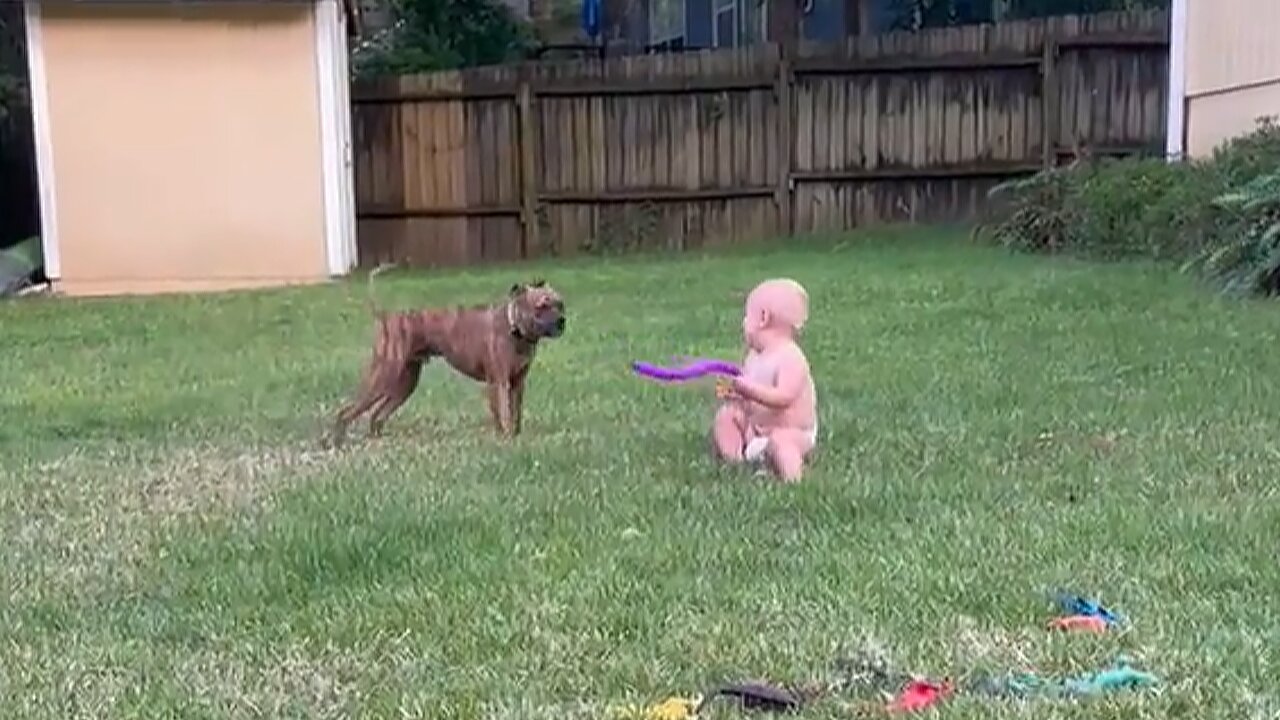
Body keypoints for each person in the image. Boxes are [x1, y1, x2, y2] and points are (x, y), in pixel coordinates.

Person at [712, 278, 818, 482]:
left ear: (762, 318)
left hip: (791, 432)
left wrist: (748, 389)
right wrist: (736, 393)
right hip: (757, 428)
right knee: (727, 416)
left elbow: (783, 398)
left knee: (782, 443)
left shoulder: (790, 358)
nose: (743, 322)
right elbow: (751, 396)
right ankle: (736, 462)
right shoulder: (754, 356)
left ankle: (793, 480)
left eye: (746, 316)